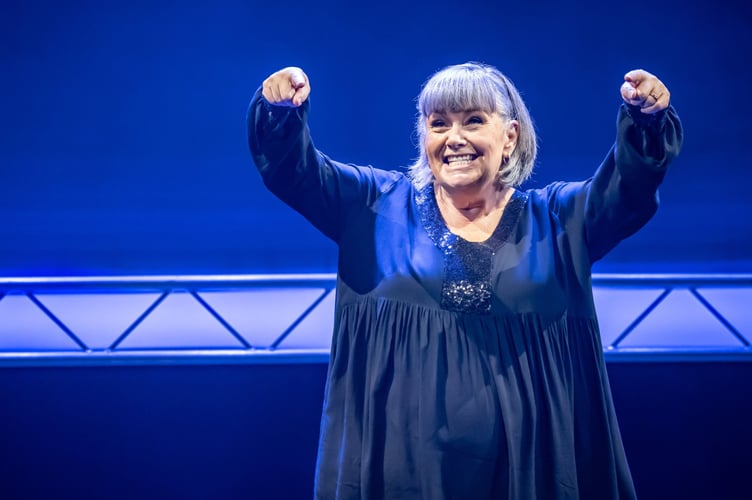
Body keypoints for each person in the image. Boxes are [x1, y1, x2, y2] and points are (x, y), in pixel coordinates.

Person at [247, 62, 683, 499]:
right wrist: (279, 110)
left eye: (473, 120)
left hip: (528, 479)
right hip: (400, 479)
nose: (454, 137)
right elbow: (295, 171)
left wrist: (646, 120)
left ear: (510, 136)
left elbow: (626, 189)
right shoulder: (371, 207)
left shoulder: (560, 221)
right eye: (439, 123)